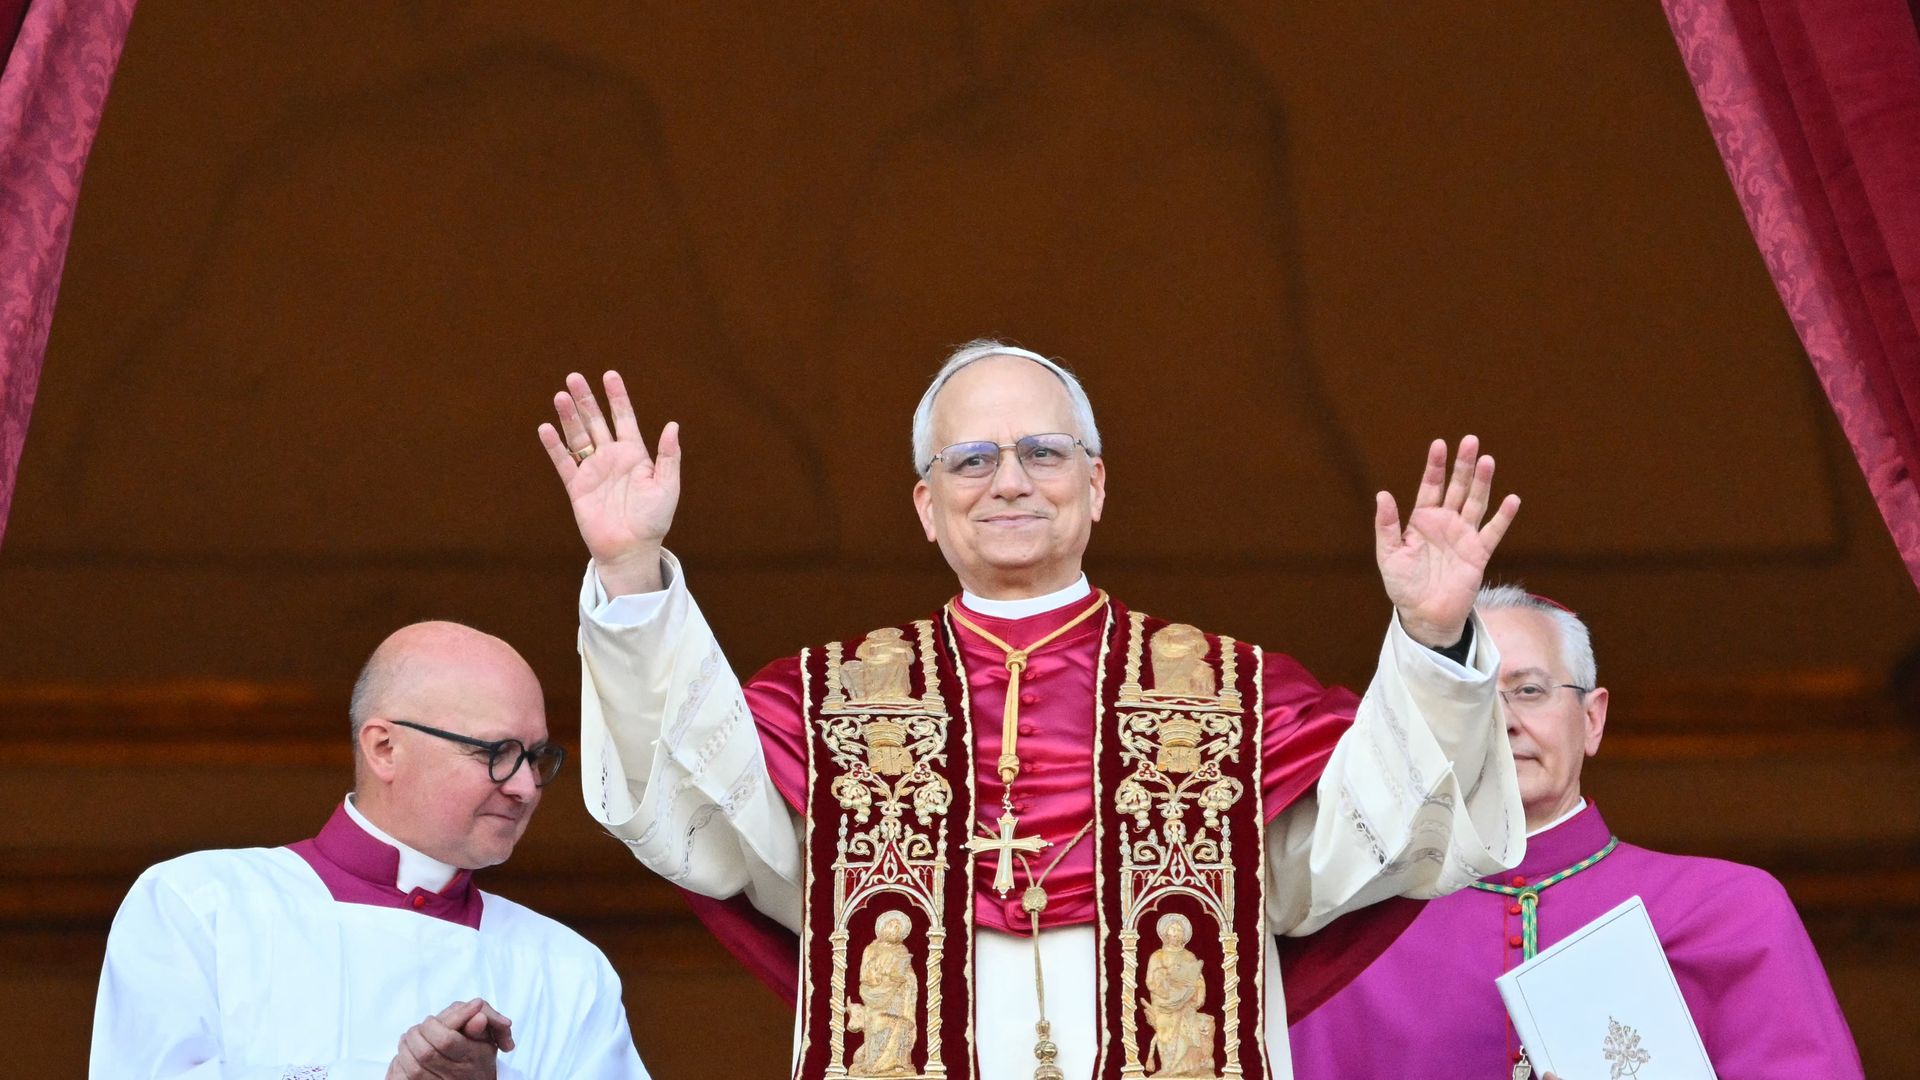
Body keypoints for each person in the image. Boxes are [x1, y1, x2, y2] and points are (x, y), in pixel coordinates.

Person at [538, 340, 1528, 1079]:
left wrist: (1435, 642)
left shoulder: (1232, 695)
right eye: (970, 461)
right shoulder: (829, 703)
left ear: (1096, 486)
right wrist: (629, 572)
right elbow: (695, 816)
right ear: (925, 506)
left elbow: (1365, 849)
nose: (1008, 480)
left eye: (1043, 453)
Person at [1287, 586, 1864, 1080]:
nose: (1504, 719)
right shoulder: (1348, 931)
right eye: (1472, 699)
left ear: (1592, 719)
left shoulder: (1728, 908)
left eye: (1530, 690)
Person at [90, 621, 651, 1080]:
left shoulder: (567, 968)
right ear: (385, 748)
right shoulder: (199, 906)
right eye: (498, 753)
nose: (525, 787)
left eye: (536, 757)